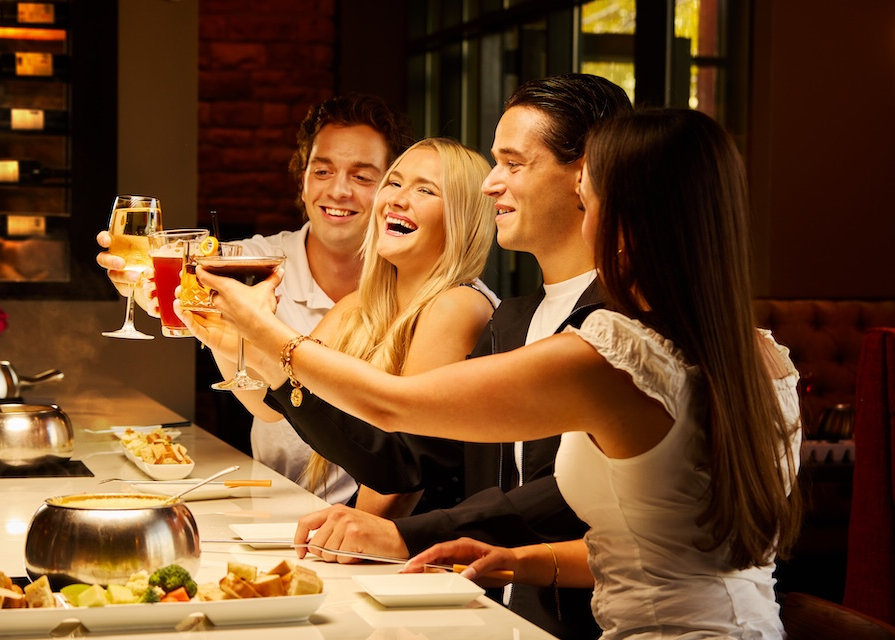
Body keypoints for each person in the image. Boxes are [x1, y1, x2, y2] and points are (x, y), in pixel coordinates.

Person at [186, 108, 804, 638]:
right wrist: (518, 560)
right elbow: (672, 546)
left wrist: (264, 330)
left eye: (588, 201)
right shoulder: (762, 354)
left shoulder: (614, 354)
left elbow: (395, 408)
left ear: (627, 223)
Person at [261, 73, 632, 639]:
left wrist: (266, 339)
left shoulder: (617, 323)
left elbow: (562, 497)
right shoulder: (513, 317)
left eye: (513, 163)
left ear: (582, 174)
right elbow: (409, 459)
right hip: (491, 607)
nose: (491, 184)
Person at [96, 94, 412, 504]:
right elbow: (186, 275)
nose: (338, 190)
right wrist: (136, 285)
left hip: (369, 523)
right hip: (272, 506)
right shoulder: (253, 262)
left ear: (393, 190)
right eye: (322, 170)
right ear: (302, 178)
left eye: (363, 177)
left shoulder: (419, 289)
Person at [189, 137, 498, 517]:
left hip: (424, 557)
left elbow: (401, 469)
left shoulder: (458, 305)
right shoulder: (358, 307)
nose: (398, 199)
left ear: (463, 216)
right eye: (395, 183)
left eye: (425, 189)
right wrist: (224, 336)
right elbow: (277, 407)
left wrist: (341, 546)